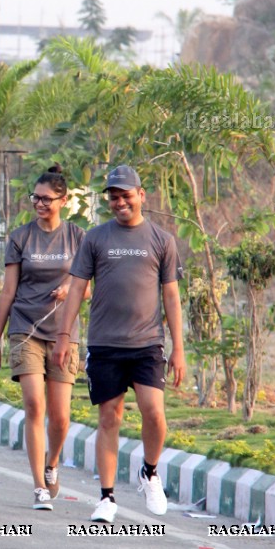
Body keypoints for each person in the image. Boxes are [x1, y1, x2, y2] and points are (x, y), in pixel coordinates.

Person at [53, 165, 185, 523]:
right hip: (105, 343)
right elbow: (77, 289)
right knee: (109, 417)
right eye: (113, 196)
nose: (120, 201)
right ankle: (107, 497)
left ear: (142, 196)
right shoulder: (95, 239)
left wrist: (179, 348)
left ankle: (150, 472)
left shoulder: (162, 240)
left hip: (147, 344)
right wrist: (64, 336)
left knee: (154, 413)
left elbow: (171, 297)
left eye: (126, 195)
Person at [0, 164, 86, 510]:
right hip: (25, 328)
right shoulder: (20, 237)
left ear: (64, 200)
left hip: (63, 333)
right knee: (34, 405)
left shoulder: (78, 237)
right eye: (35, 198)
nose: (39, 204)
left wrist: (70, 287)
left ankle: (53, 463)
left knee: (60, 416)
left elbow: (89, 286)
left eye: (46, 199)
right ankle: (39, 487)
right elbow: (8, 292)